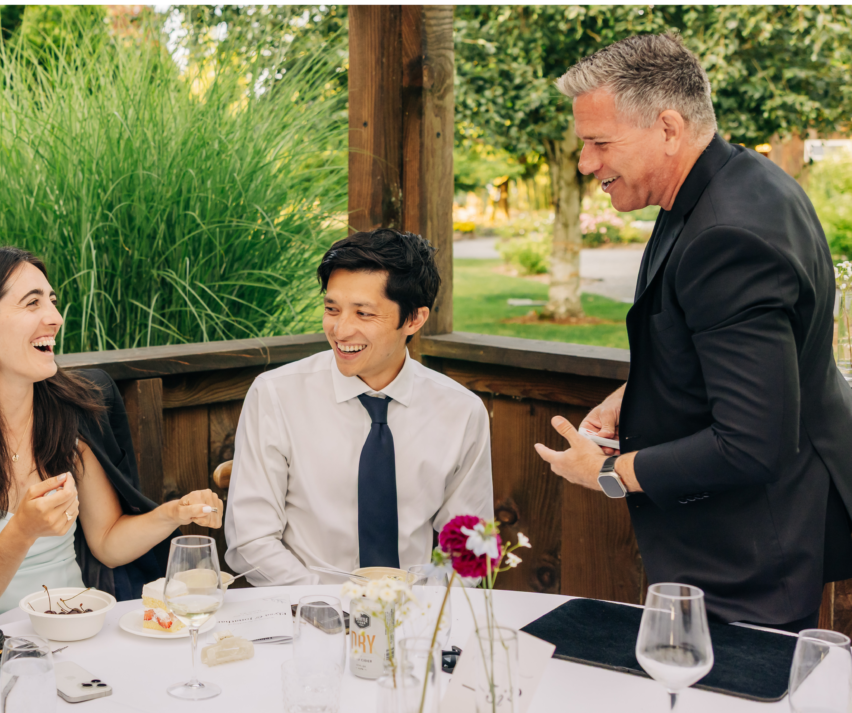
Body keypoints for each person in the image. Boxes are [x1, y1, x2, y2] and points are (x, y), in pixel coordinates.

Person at [534, 33, 852, 631]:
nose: (586, 164)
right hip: (739, 539)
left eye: (600, 143)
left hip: (749, 554)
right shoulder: (740, 179)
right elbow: (732, 355)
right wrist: (635, 394)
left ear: (669, 128)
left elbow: (751, 442)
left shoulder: (726, 234)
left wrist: (607, 475)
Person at [0, 246, 223, 664]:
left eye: (51, 300)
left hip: (82, 639)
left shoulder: (73, 411)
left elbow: (106, 542)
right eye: (32, 302)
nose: (55, 317)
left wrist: (173, 513)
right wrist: (24, 528)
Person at [224, 229, 493, 586]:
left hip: (417, 617)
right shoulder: (276, 395)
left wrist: (430, 615)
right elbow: (250, 540)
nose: (340, 329)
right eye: (331, 309)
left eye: (364, 314)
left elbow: (468, 547)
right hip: (307, 611)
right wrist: (329, 607)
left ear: (414, 319)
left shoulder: (461, 411)